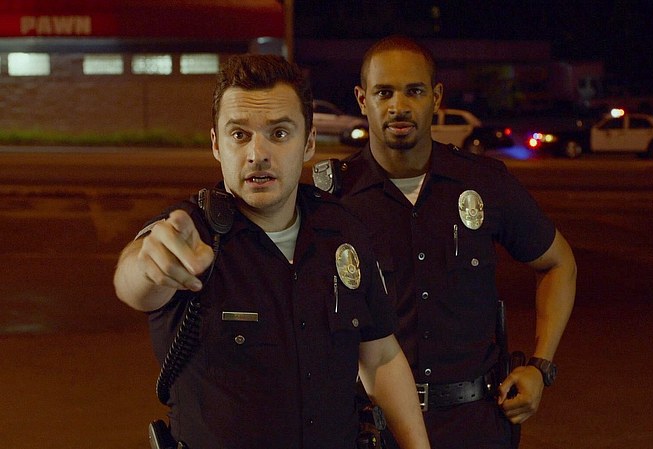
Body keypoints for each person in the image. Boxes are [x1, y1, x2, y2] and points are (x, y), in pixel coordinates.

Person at [113, 54, 430, 449]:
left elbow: (380, 354)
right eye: (239, 134)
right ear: (216, 144)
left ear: (309, 142)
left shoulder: (343, 230)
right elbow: (135, 280)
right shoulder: (190, 233)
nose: (257, 153)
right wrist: (146, 267)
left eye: (279, 133)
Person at [317, 36, 577, 448]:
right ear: (362, 100)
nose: (399, 106)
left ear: (436, 97)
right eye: (384, 92)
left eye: (414, 91)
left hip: (476, 425)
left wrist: (540, 367)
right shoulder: (333, 202)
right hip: (374, 430)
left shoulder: (485, 183)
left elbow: (558, 263)